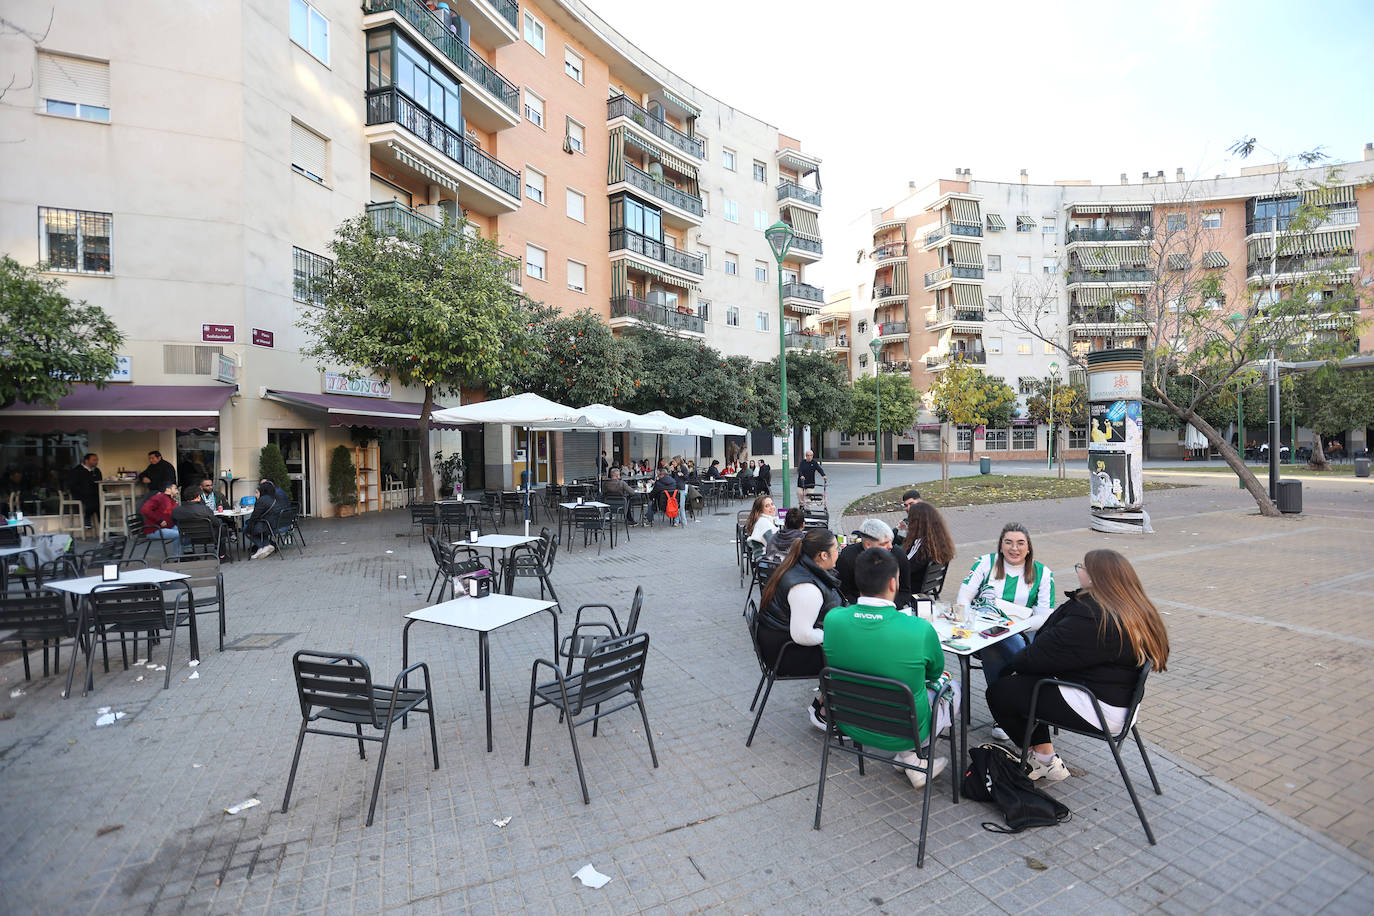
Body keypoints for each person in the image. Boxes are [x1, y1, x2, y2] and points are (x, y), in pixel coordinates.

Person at [986, 549, 1169, 783]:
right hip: (1122, 701)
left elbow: (1037, 656)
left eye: (1081, 567)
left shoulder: (1093, 615)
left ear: (1094, 577)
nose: (1078, 570)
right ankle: (1043, 755)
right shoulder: (1131, 606)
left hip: (1099, 706)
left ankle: (1043, 760)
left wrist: (1014, 667)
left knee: (1001, 692)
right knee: (1026, 684)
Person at [823, 548, 954, 788]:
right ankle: (912, 757)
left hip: (851, 723)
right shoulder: (919, 629)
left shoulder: (833, 620)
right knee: (952, 685)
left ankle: (907, 757)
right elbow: (935, 674)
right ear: (893, 583)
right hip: (907, 728)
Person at [956, 522, 1054, 737]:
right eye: (1008, 542)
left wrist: (1015, 627)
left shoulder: (1042, 573)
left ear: (1029, 547)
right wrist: (967, 620)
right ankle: (1022, 703)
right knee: (994, 644)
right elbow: (963, 597)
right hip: (986, 633)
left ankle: (1003, 713)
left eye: (1020, 543)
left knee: (1000, 644)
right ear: (1000, 545)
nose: (1014, 548)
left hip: (1026, 632)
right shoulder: (985, 563)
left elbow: (1045, 615)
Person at [754, 529, 843, 729]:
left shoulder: (800, 567)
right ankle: (825, 713)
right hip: (786, 654)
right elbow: (802, 634)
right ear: (823, 555)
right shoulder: (806, 587)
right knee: (852, 657)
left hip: (778, 641)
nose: (839, 553)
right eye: (836, 549)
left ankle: (824, 703)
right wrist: (836, 636)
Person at [835, 518, 913, 608]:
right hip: (859, 609)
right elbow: (844, 592)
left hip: (891, 608)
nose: (890, 546)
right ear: (868, 545)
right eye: (884, 544)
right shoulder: (848, 557)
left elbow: (905, 591)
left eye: (891, 541)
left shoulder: (898, 555)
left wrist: (889, 608)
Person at [901, 501, 956, 596]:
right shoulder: (937, 542)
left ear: (916, 522)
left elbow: (905, 567)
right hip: (923, 586)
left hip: (910, 589)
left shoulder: (921, 544)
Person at [172, 484, 227, 559]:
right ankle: (222, 556)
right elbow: (216, 523)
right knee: (222, 527)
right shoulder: (205, 509)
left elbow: (175, 523)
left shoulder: (176, 510)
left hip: (187, 537)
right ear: (198, 497)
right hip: (208, 537)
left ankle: (188, 554)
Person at [140, 482, 182, 557]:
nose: (177, 491)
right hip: (154, 529)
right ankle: (178, 557)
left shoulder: (170, 499)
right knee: (179, 534)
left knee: (185, 531)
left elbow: (177, 511)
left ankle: (187, 553)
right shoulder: (158, 498)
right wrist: (159, 520)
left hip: (167, 527)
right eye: (175, 489)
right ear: (168, 489)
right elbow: (145, 509)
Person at [245, 480, 282, 559]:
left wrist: (248, 523)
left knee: (245, 528)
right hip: (276, 525)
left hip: (267, 526)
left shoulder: (262, 500)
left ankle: (261, 546)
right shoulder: (276, 498)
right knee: (258, 527)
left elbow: (254, 516)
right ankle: (264, 548)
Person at [66, 452, 102, 532]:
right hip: (80, 494)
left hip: (94, 494)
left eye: (97, 460)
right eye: (94, 460)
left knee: (101, 503)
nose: (96, 462)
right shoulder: (76, 471)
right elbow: (72, 485)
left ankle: (88, 517)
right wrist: (84, 490)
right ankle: (104, 529)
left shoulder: (96, 471)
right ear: (86, 461)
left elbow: (99, 482)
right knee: (96, 502)